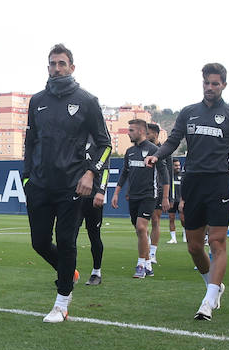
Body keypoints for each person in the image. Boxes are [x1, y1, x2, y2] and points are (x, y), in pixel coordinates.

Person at [145, 63, 229, 320]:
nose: (210, 87)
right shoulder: (189, 113)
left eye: (215, 83)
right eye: (206, 83)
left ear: (224, 85)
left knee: (216, 242)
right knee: (194, 247)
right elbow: (173, 141)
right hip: (192, 182)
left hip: (219, 182)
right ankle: (213, 286)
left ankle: (208, 301)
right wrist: (157, 155)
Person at [22, 44, 110, 323]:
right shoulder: (37, 101)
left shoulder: (87, 100)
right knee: (39, 242)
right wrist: (26, 178)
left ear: (72, 67)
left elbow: (105, 144)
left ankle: (61, 303)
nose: (57, 68)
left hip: (72, 185)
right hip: (39, 185)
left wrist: (90, 174)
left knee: (66, 240)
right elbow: (30, 142)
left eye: (62, 63)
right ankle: (68, 272)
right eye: (52, 63)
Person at [111, 119, 160, 278]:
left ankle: (140, 265)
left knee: (141, 228)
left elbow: (165, 174)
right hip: (133, 196)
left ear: (141, 131)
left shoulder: (155, 150)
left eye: (131, 130)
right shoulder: (129, 151)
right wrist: (116, 193)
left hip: (149, 195)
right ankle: (148, 264)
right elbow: (124, 173)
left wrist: (166, 196)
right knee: (140, 231)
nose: (128, 133)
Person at [146, 123, 173, 261]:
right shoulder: (143, 149)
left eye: (148, 133)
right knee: (142, 222)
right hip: (145, 190)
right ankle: (145, 249)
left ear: (155, 134)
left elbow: (169, 174)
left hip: (159, 190)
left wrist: (168, 197)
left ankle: (152, 253)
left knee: (155, 220)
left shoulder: (164, 151)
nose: (146, 136)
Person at [168, 159, 183, 242]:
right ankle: (173, 238)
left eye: (179, 165)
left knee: (183, 220)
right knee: (171, 219)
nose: (178, 167)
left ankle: (185, 235)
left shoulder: (183, 175)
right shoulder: (169, 176)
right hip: (172, 201)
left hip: (181, 201)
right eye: (176, 165)